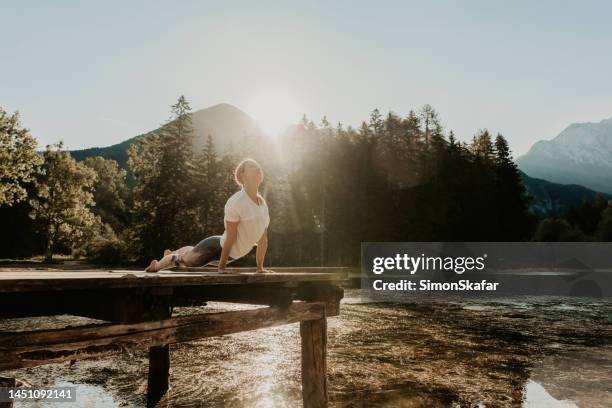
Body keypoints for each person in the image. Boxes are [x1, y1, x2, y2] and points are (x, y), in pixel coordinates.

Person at [145, 157, 272, 273]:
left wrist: (260, 268)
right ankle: (156, 265)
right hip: (214, 248)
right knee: (185, 262)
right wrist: (221, 267)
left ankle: (171, 253)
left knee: (191, 255)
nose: (258, 168)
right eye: (252, 166)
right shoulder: (236, 202)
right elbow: (231, 237)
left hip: (230, 255)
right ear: (242, 175)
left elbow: (263, 238)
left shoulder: (262, 204)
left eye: (258, 166)